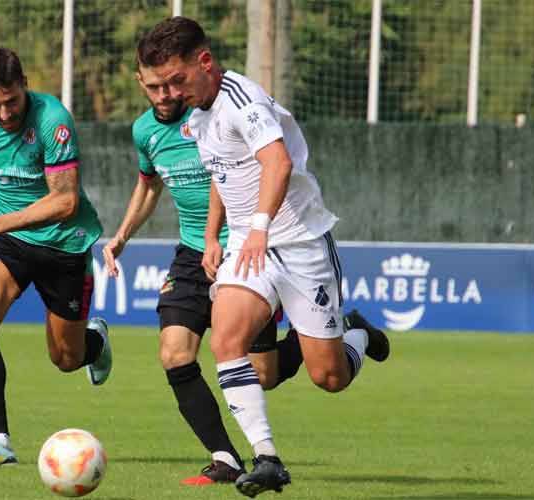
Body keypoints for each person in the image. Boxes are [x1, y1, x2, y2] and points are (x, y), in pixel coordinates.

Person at [136, 17, 390, 498]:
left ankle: (356, 332)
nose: (168, 93)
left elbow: (278, 163)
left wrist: (257, 228)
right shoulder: (197, 114)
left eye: (176, 80)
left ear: (205, 62)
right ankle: (267, 459)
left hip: (299, 244)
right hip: (247, 247)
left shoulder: (241, 101)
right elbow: (223, 174)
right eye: (159, 84)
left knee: (329, 377)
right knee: (225, 340)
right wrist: (213, 236)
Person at [102, 54, 305, 486]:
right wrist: (121, 236)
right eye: (152, 87)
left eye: (168, 86)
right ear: (140, 80)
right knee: (174, 353)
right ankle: (226, 457)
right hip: (193, 255)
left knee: (264, 375)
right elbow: (148, 185)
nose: (163, 95)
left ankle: (323, 335)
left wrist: (234, 234)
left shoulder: (212, 113)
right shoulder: (144, 131)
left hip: (244, 250)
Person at [0, 47, 113, 466]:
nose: (1, 114)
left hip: (62, 243)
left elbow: (65, 202)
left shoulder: (53, 120)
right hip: (7, 240)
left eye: (10, 101)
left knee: (66, 359)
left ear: (25, 86)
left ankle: (95, 342)